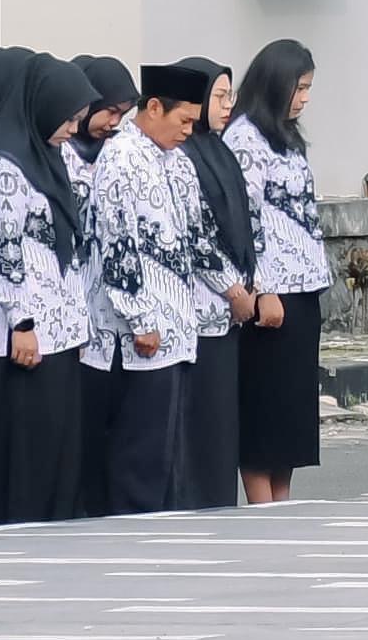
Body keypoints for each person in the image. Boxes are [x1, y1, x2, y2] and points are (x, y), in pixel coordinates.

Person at [91, 63, 219, 515]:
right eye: (183, 120)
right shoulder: (120, 158)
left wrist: (230, 287)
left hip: (179, 320)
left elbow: (198, 236)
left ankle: (164, 517)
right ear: (153, 108)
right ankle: (132, 522)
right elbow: (115, 241)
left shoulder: (178, 162)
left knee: (169, 443)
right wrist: (140, 317)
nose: (189, 131)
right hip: (140, 330)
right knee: (140, 442)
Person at [0, 52, 96, 523]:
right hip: (26, 328)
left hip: (61, 322)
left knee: (61, 440)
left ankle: (56, 522)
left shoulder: (48, 157)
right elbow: (3, 248)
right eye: (68, 119)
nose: (73, 129)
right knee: (30, 441)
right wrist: (20, 322)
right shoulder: (4, 167)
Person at [227, 40, 330, 504]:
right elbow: (243, 219)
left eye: (308, 88)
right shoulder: (245, 138)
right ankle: (262, 506)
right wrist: (261, 288)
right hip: (273, 292)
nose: (305, 98)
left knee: (290, 411)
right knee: (264, 409)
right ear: (275, 83)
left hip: (304, 285)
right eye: (299, 87)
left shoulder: (287, 137)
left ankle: (282, 502)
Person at [177, 65, 261, 508]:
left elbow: (245, 223)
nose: (228, 107)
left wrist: (253, 284)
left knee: (222, 421)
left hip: (232, 314)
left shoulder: (219, 152)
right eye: (220, 97)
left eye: (230, 97)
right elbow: (199, 235)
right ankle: (199, 503)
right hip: (202, 309)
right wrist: (234, 289)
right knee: (202, 419)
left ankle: (218, 501)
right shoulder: (185, 155)